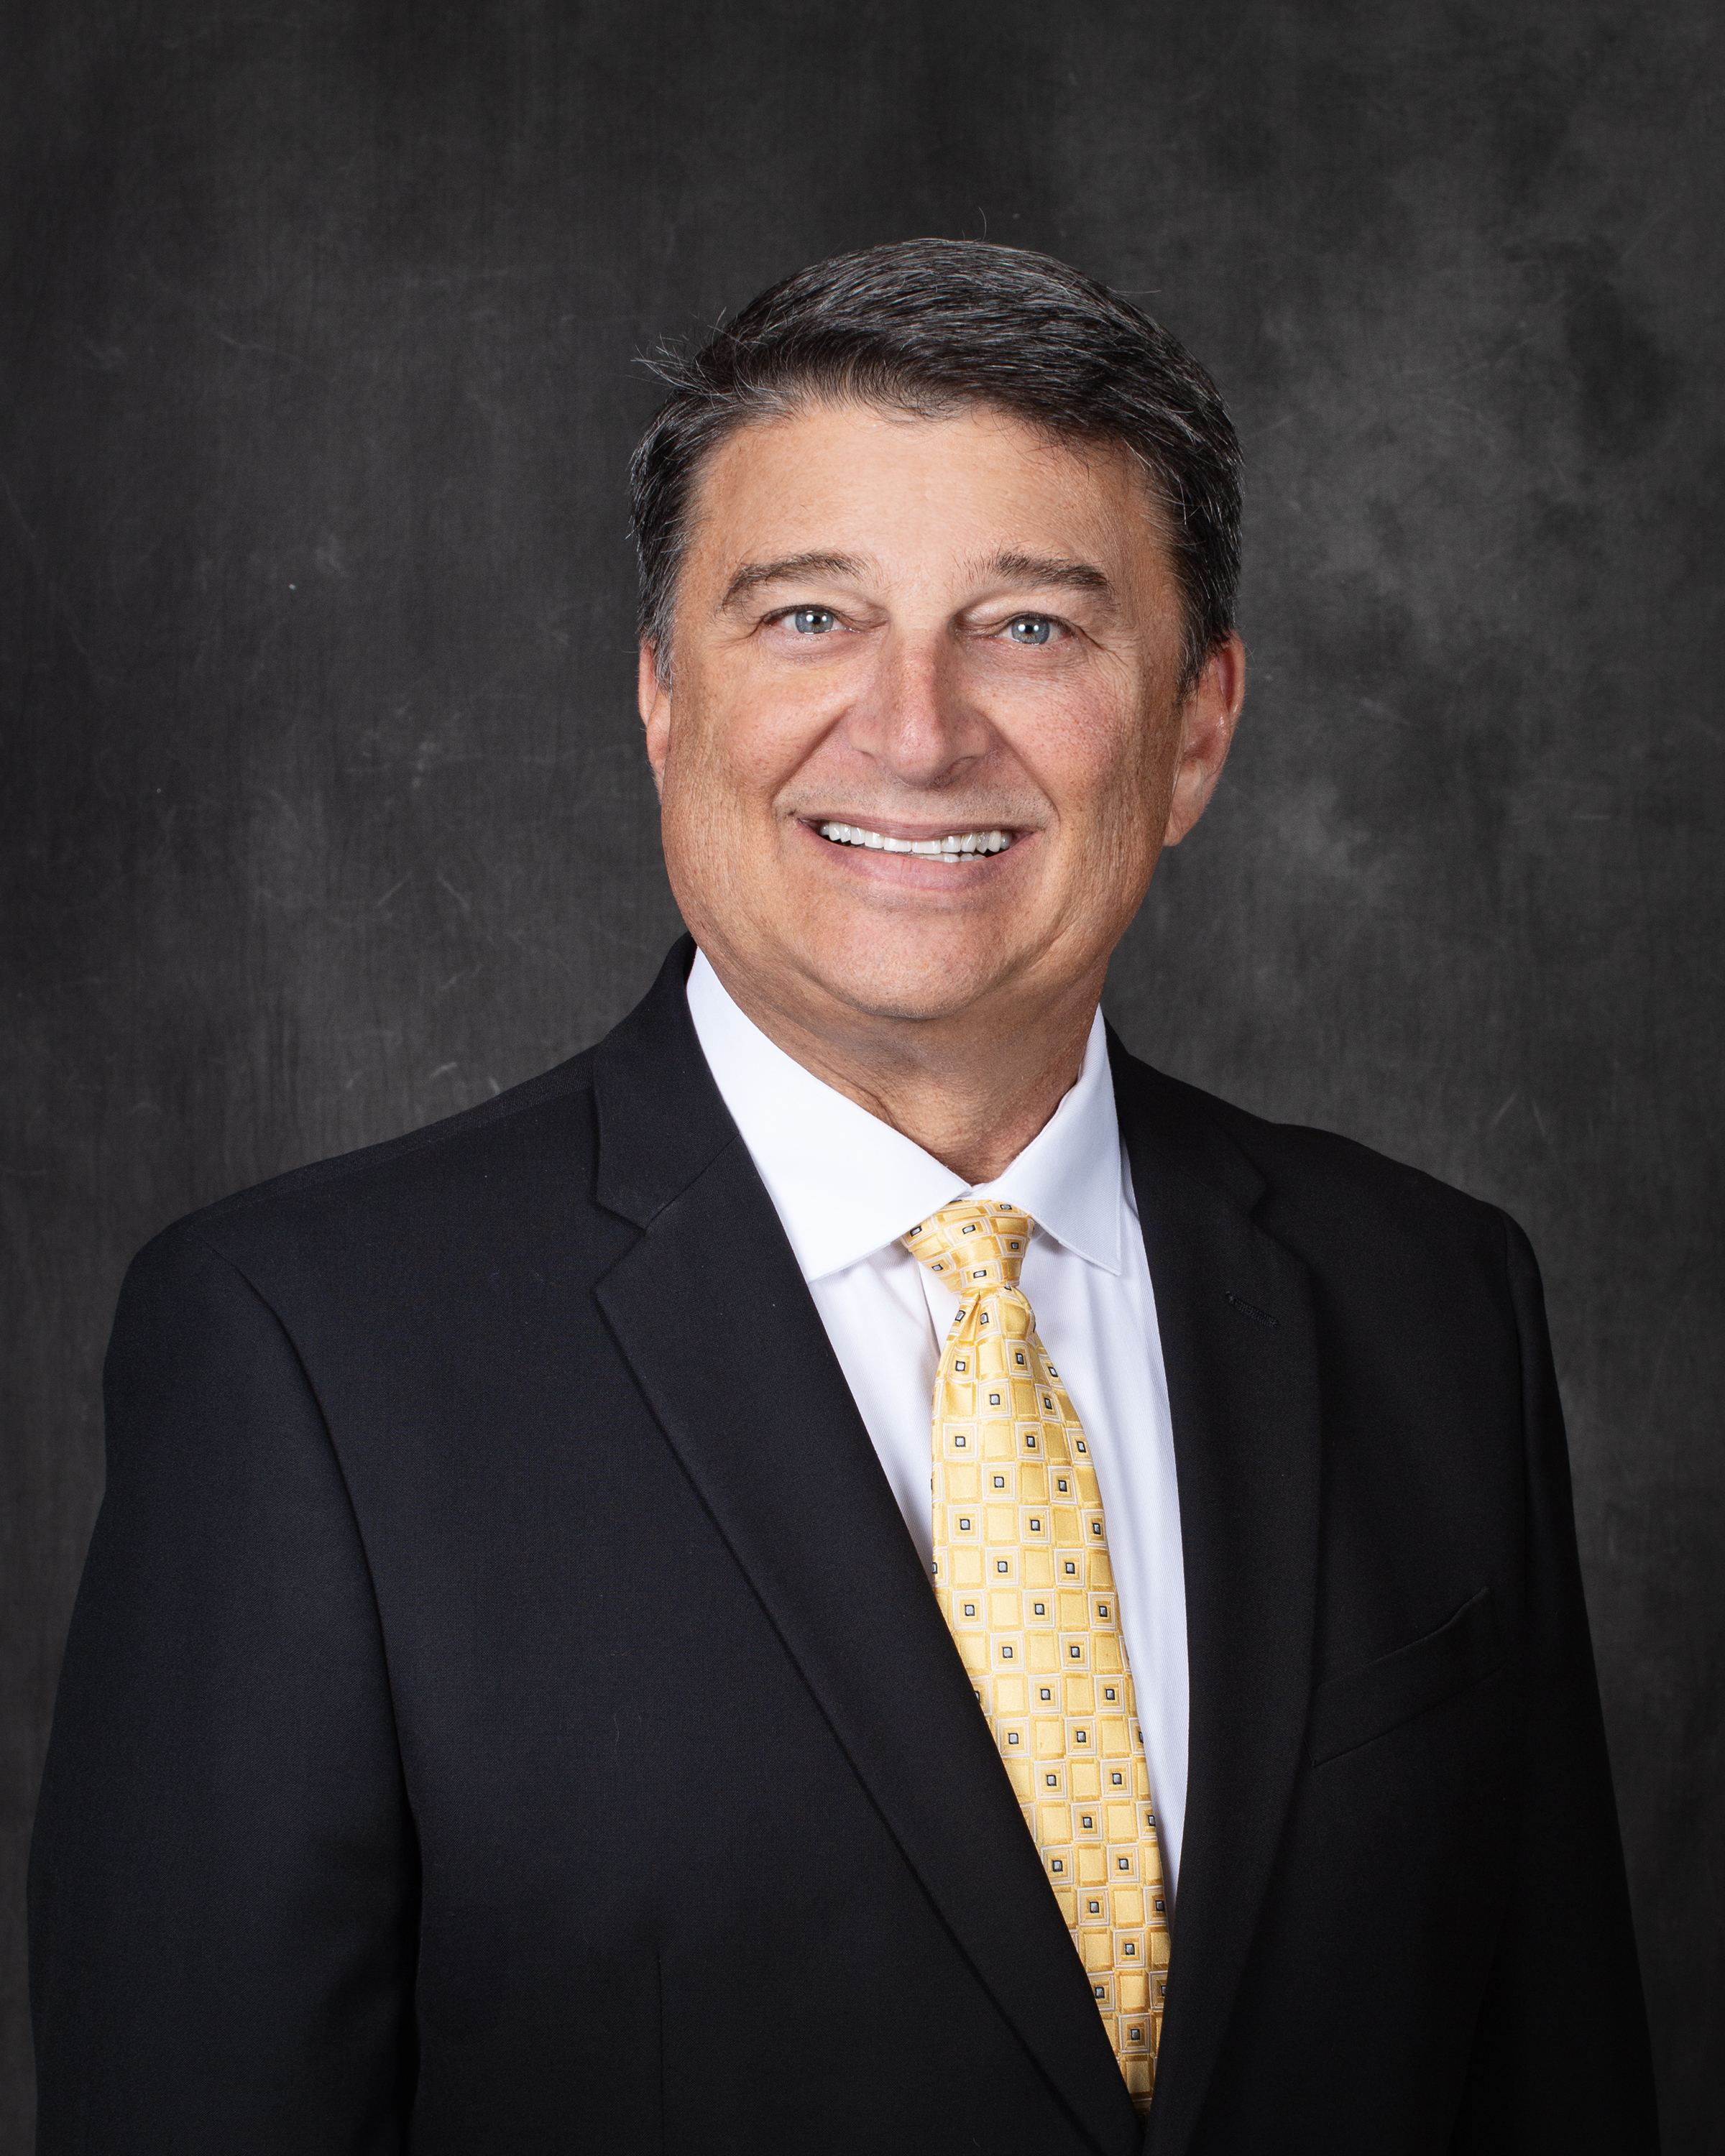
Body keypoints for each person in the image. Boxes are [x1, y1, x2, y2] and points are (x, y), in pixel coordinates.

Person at [29, 239, 1656, 2155]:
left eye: (1029, 627)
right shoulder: (306, 1351)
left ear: (1199, 725)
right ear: (662, 696)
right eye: (809, 617)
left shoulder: (1431, 1300)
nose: (915, 729)